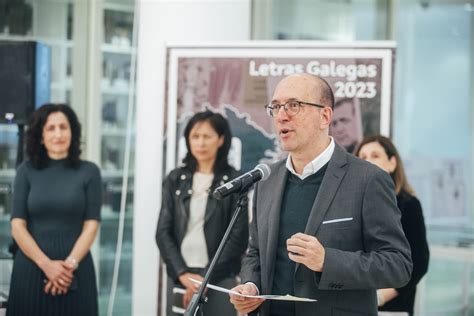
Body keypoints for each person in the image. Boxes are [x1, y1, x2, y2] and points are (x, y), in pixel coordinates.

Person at [229, 73, 412, 316]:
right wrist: (251, 286)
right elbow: (256, 253)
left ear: (325, 116)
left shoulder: (368, 179)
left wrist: (327, 261)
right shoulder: (267, 179)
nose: (282, 115)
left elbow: (397, 265)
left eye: (294, 105)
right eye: (275, 107)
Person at [7, 104, 102, 316]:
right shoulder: (26, 171)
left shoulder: (89, 172)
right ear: (40, 136)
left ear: (72, 132)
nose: (58, 133)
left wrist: (68, 267)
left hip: (76, 273)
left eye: (63, 127)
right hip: (31, 272)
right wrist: (47, 265)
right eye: (50, 128)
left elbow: (91, 225)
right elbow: (17, 226)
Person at [156, 111, 248, 316]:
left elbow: (237, 238)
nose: (200, 143)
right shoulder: (175, 179)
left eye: (207, 137)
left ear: (221, 140)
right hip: (182, 275)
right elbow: (162, 232)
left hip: (220, 278)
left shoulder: (235, 181)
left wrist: (205, 278)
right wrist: (182, 273)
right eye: (195, 137)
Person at [356, 135, 430, 315]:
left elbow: (419, 261)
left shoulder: (409, 205)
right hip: (355, 305)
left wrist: (381, 297)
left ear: (392, 163)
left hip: (392, 308)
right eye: (363, 157)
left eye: (375, 156)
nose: (368, 162)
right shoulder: (351, 205)